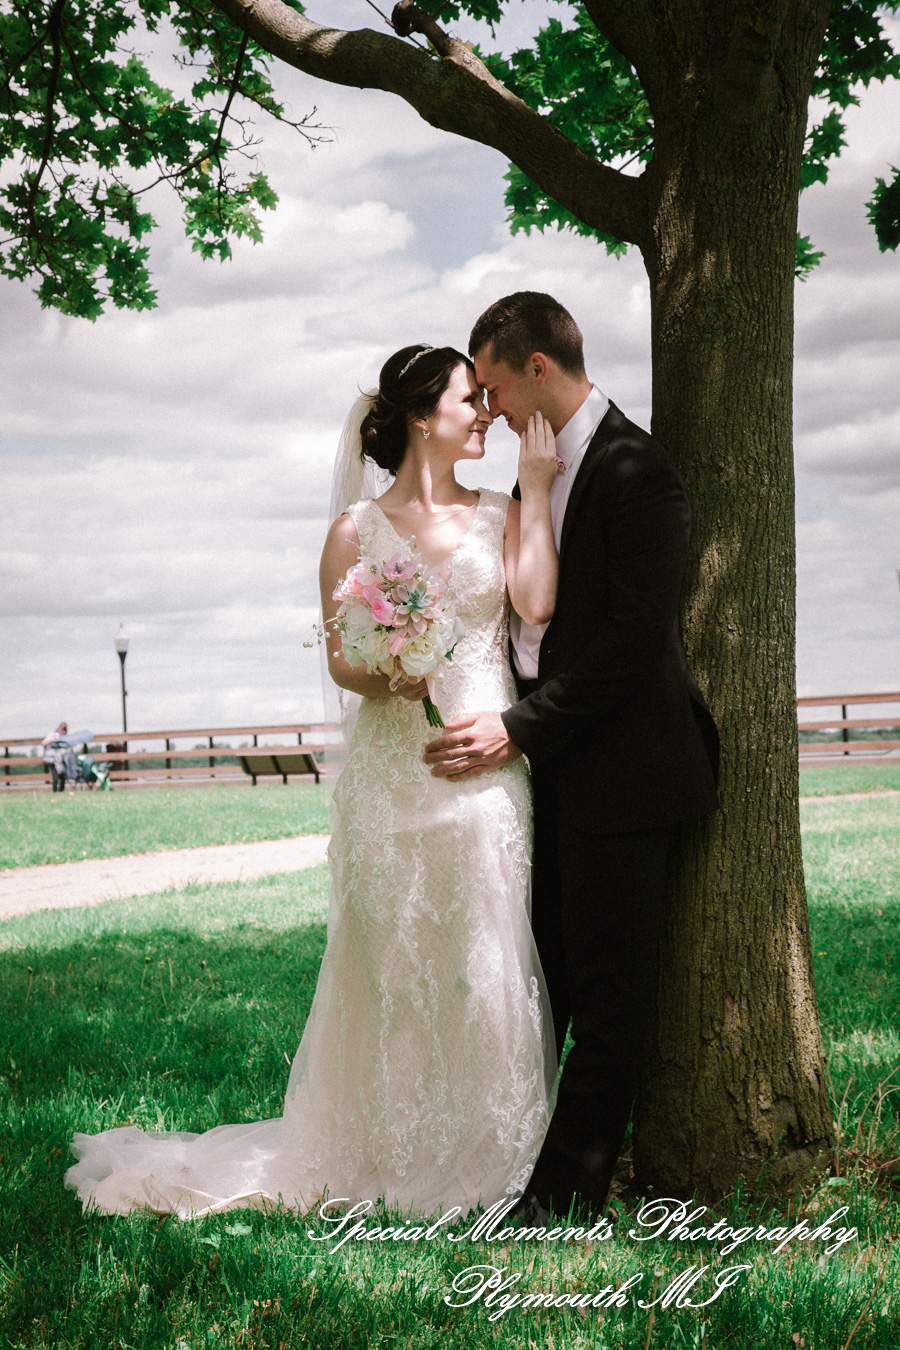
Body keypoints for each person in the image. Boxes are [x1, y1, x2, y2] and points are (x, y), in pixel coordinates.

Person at [65, 344, 560, 1219]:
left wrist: (540, 487)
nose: (486, 412)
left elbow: (535, 606)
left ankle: (493, 1152)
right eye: (469, 399)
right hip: (388, 770)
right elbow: (341, 658)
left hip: (485, 762)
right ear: (419, 414)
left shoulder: (505, 509)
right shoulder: (354, 533)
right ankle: (381, 1146)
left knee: (484, 954)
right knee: (392, 963)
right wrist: (395, 669)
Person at [423, 293, 720, 1222]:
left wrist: (520, 727)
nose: (494, 409)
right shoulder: (536, 476)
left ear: (539, 370)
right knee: (538, 976)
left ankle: (565, 1197)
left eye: (500, 388)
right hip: (557, 776)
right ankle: (505, 1163)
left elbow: (635, 644)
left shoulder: (639, 470)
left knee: (607, 994)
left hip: (627, 775)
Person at [42, 722, 68, 792]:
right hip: (52, 759)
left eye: (65, 729)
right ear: (58, 728)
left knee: (63, 776)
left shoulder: (64, 738)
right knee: (55, 776)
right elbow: (43, 743)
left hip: (61, 760)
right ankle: (55, 790)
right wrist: (52, 741)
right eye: (62, 729)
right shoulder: (52, 735)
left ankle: (61, 790)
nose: (63, 731)